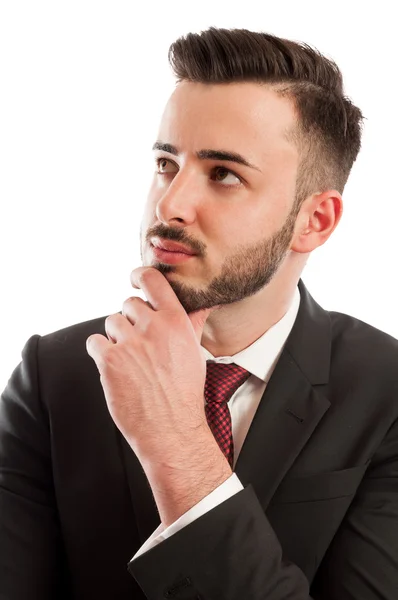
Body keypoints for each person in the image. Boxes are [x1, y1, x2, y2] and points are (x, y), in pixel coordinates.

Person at [1, 26, 397, 600]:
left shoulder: (387, 393)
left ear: (315, 221)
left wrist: (178, 445)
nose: (169, 204)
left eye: (224, 175)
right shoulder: (54, 373)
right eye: (167, 163)